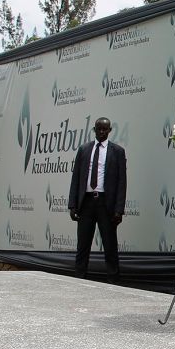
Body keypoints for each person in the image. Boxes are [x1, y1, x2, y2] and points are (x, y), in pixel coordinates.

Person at [68, 115, 127, 279]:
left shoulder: (117, 152)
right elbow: (76, 178)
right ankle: (79, 278)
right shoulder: (84, 149)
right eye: (99, 129)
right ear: (94, 130)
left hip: (105, 203)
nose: (102, 132)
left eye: (105, 129)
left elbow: (122, 182)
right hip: (86, 202)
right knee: (83, 244)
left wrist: (119, 210)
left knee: (109, 244)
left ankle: (113, 280)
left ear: (110, 130)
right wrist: (72, 204)